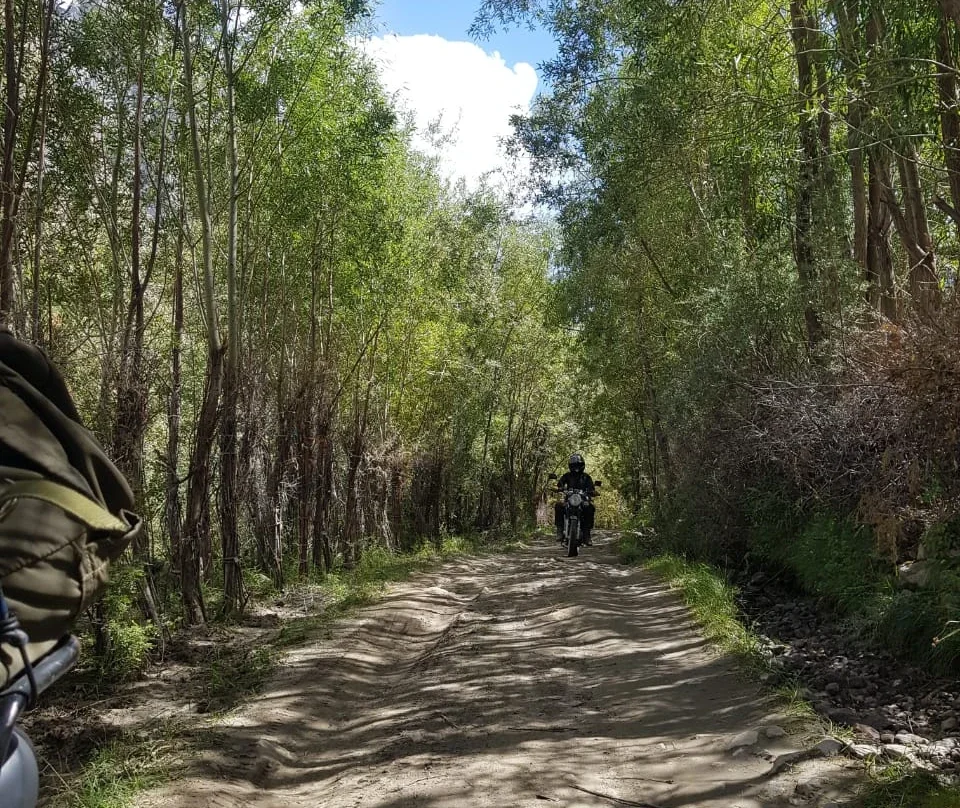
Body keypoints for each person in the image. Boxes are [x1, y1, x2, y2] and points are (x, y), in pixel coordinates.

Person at [554, 453, 596, 546]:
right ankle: (560, 530)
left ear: (582, 465)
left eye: (578, 465)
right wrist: (560, 488)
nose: (576, 468)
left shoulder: (586, 477)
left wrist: (592, 491)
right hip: (569, 499)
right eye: (574, 465)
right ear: (570, 466)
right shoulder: (567, 476)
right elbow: (560, 483)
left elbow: (591, 488)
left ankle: (587, 534)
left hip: (583, 500)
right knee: (558, 506)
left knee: (590, 508)